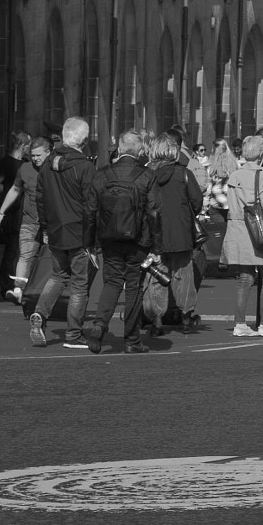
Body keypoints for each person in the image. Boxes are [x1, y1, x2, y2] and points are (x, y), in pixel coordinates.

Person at [80, 128, 159, 355]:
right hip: (138, 240)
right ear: (140, 150)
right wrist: (157, 247)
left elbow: (89, 210)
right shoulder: (147, 176)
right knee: (133, 286)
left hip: (109, 238)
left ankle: (99, 326)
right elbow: (154, 212)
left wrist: (90, 243)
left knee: (112, 282)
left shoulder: (102, 174)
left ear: (121, 148)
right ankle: (132, 339)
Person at [28, 118, 101, 349]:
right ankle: (73, 335)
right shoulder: (86, 167)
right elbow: (91, 205)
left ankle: (40, 313)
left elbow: (40, 197)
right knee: (80, 284)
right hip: (79, 231)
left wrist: (46, 228)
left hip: (56, 230)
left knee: (58, 276)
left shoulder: (49, 163)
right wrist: (92, 238)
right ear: (84, 140)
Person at [222, 134, 263, 337]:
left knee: (244, 278)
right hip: (259, 231)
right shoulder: (262, 175)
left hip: (239, 230)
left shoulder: (235, 176)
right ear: (260, 155)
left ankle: (240, 324)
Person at [141, 132, 205, 335]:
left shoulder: (145, 175)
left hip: (153, 234)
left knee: (156, 276)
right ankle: (186, 317)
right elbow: (197, 202)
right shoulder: (184, 174)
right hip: (180, 232)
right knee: (184, 276)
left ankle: (156, 321)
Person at [0, 134, 47, 305]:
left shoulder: (54, 169)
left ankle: (43, 292)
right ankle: (18, 290)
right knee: (25, 256)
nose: (35, 159)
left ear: (48, 152)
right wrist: (1, 212)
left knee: (46, 258)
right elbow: (15, 189)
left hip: (50, 223)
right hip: (29, 221)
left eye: (39, 155)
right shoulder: (24, 168)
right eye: (33, 155)